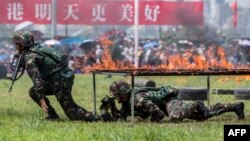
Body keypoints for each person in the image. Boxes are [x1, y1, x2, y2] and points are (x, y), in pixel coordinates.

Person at [12, 31, 99, 122]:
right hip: (60, 78)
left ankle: (94, 117)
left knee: (72, 114)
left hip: (60, 81)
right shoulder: (38, 49)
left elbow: (36, 78)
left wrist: (41, 98)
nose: (16, 47)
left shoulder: (30, 57)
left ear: (22, 44)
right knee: (33, 92)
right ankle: (52, 115)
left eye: (17, 44)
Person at [100, 80, 245, 122]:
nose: (115, 97)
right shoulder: (127, 102)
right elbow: (121, 119)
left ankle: (196, 104)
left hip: (168, 100)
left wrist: (149, 122)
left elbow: (159, 115)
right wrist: (110, 109)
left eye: (116, 95)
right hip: (164, 105)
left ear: (123, 93)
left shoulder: (138, 99)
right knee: (204, 115)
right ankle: (235, 106)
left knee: (175, 116)